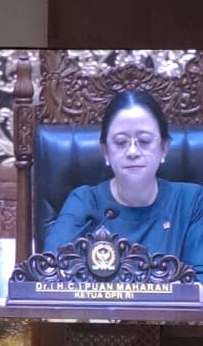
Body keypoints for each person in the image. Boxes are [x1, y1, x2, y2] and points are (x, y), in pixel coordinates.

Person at [43, 89, 203, 275]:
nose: (132, 152)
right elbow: (50, 272)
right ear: (105, 151)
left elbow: (199, 281)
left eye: (144, 141)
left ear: (164, 148)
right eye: (120, 142)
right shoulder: (84, 201)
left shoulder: (191, 202)